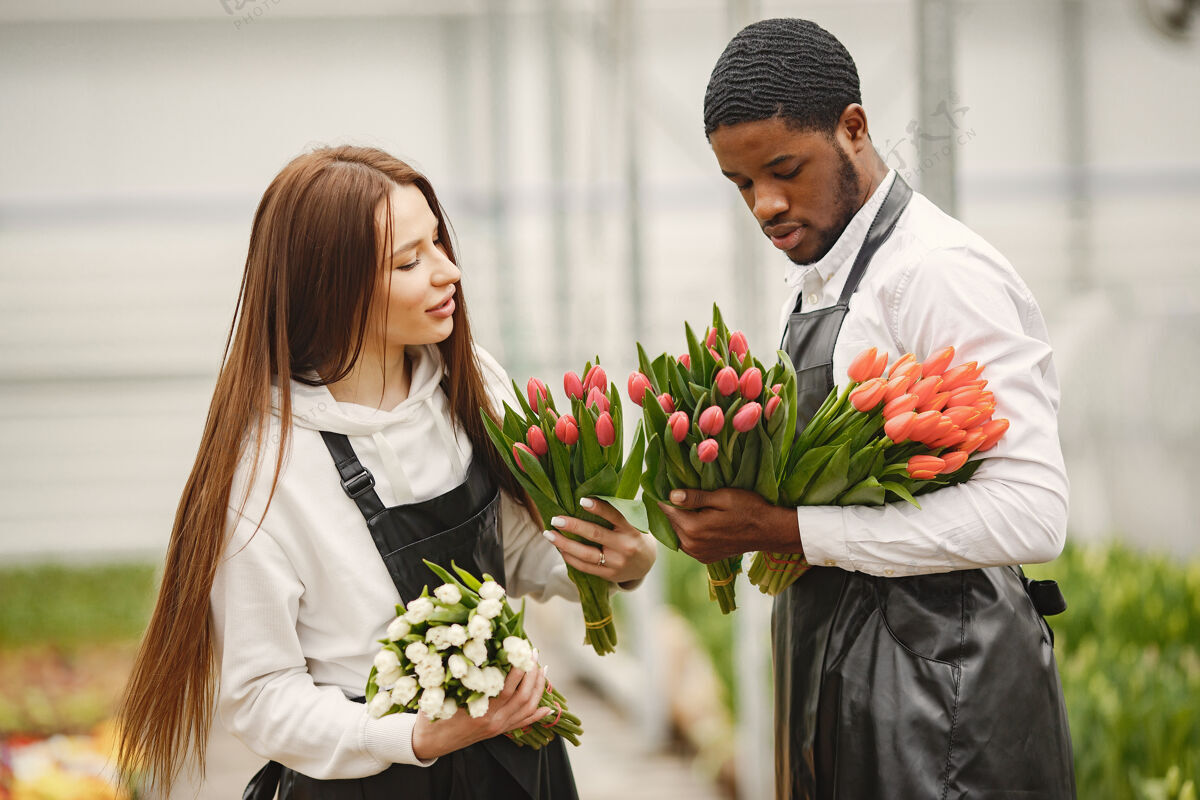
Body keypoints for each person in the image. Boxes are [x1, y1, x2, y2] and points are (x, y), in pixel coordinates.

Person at [114, 145, 656, 799]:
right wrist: (412, 736)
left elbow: (515, 552)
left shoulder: (471, 382)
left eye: (438, 243)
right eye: (410, 260)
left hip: (514, 762)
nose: (448, 271)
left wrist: (615, 564)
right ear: (332, 287)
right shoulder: (266, 470)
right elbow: (261, 697)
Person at [660, 18, 1075, 800]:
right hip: (842, 685)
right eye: (742, 184)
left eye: (785, 169)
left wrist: (787, 530)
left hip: (941, 706)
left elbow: (1032, 513)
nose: (764, 205)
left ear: (854, 127)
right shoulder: (820, 275)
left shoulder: (936, 274)